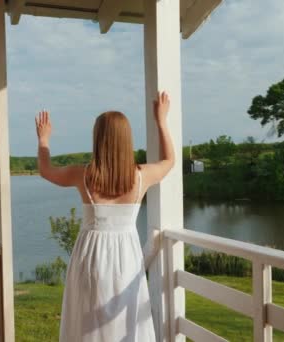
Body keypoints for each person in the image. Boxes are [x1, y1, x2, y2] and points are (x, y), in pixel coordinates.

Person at [35, 91, 175, 341]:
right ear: (126, 140)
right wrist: (161, 121)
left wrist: (44, 140)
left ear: (97, 139)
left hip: (90, 259)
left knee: (88, 323)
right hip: (126, 260)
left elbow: (46, 171)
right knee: (124, 321)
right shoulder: (141, 176)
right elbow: (169, 160)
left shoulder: (83, 175)